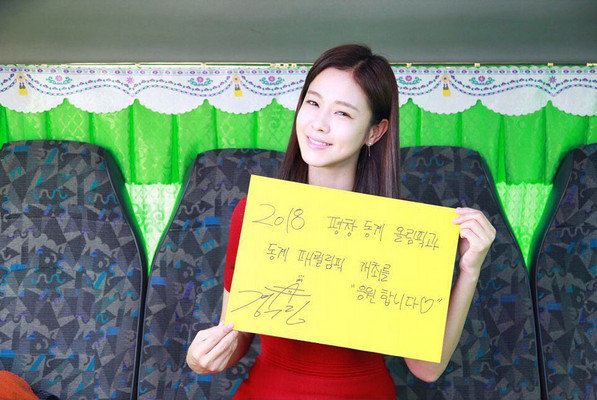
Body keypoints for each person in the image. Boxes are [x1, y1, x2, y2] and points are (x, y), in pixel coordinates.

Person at [186, 43, 496, 399]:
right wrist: (201, 358)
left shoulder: (405, 232)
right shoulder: (256, 213)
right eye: (313, 103)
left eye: (343, 113)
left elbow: (426, 368)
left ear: (374, 132)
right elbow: (235, 335)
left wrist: (470, 270)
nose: (319, 124)